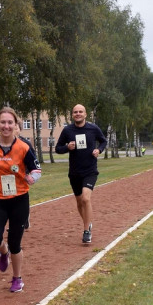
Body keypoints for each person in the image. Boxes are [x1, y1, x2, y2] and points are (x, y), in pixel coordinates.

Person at [0, 107, 42, 293]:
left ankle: (17, 278)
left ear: (15, 125)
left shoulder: (24, 147)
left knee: (15, 243)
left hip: (19, 199)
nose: (6, 126)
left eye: (10, 123)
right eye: (3, 122)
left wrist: (31, 178)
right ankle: (3, 253)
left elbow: (37, 170)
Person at [55, 103, 107, 243]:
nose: (78, 114)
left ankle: (86, 231)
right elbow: (58, 149)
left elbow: (103, 141)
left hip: (90, 170)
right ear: (72, 115)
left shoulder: (93, 128)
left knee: (85, 199)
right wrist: (67, 147)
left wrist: (99, 150)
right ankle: (88, 222)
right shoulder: (67, 131)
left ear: (85, 114)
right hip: (74, 172)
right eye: (75, 112)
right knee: (79, 202)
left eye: (80, 112)